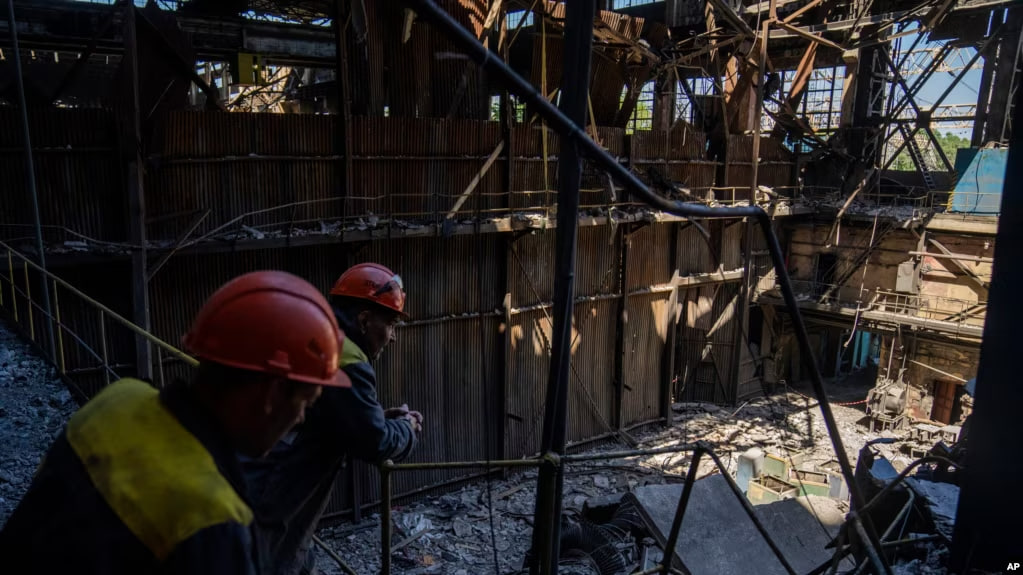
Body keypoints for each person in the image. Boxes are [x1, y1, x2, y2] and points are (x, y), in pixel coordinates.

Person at [0, 270, 351, 575]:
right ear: (273, 394)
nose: (301, 417)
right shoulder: (213, 519)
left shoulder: (117, 399)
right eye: (305, 402)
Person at [244, 262, 422, 575]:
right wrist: (406, 429)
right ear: (365, 320)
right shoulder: (346, 359)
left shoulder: (316, 338)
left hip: (262, 482)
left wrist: (378, 416)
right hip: (277, 495)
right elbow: (373, 441)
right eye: (391, 323)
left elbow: (324, 415)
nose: (392, 337)